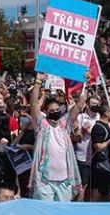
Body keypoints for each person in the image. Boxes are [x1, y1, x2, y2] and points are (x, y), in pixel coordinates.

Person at [29, 74, 85, 202]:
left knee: (62, 212)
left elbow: (79, 104)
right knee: (45, 213)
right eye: (51, 111)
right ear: (46, 113)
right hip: (44, 180)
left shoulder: (65, 124)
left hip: (65, 179)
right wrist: (38, 82)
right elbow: (33, 104)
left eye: (57, 109)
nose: (55, 112)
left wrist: (84, 81)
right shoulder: (42, 125)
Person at [89, 103, 110, 202]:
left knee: (106, 195)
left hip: (107, 167)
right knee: (97, 196)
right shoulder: (98, 127)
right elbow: (98, 146)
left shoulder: (109, 126)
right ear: (106, 113)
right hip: (99, 167)